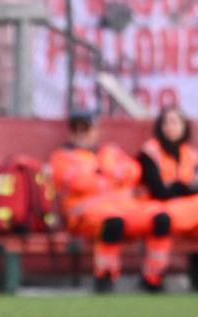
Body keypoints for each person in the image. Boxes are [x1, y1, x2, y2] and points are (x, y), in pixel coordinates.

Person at [49, 110, 171, 292]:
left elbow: (134, 171)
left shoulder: (110, 151)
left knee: (161, 217)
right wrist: (112, 177)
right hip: (85, 213)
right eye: (77, 129)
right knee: (112, 221)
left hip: (126, 207)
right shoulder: (62, 156)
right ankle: (105, 276)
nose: (81, 134)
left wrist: (102, 174)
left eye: (86, 129)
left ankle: (154, 277)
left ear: (96, 131)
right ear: (70, 132)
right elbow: (79, 182)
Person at [137, 106, 198, 290]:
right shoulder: (150, 152)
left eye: (175, 122)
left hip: (185, 211)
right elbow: (158, 190)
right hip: (155, 207)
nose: (170, 127)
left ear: (184, 126)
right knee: (162, 219)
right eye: (166, 122)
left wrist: (181, 188)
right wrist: (183, 187)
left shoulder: (191, 155)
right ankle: (153, 277)